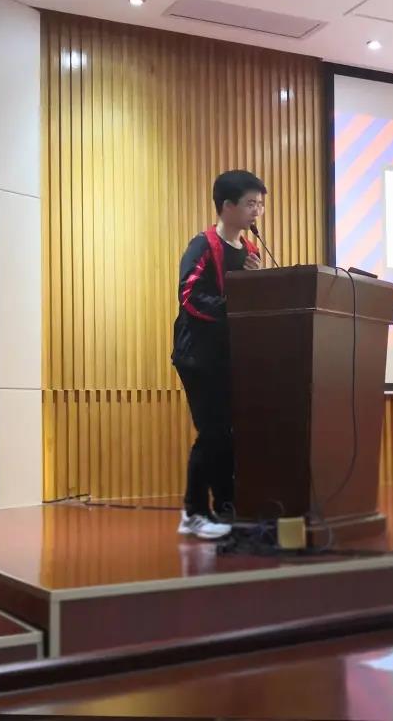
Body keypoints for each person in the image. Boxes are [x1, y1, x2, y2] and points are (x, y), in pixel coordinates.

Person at [172, 170, 265, 540]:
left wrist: (256, 281)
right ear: (227, 206)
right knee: (213, 432)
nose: (257, 211)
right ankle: (195, 512)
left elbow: (251, 301)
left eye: (260, 204)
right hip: (198, 355)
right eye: (250, 204)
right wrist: (233, 304)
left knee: (227, 433)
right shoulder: (203, 245)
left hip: (230, 355)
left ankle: (227, 507)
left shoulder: (251, 251)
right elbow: (190, 296)